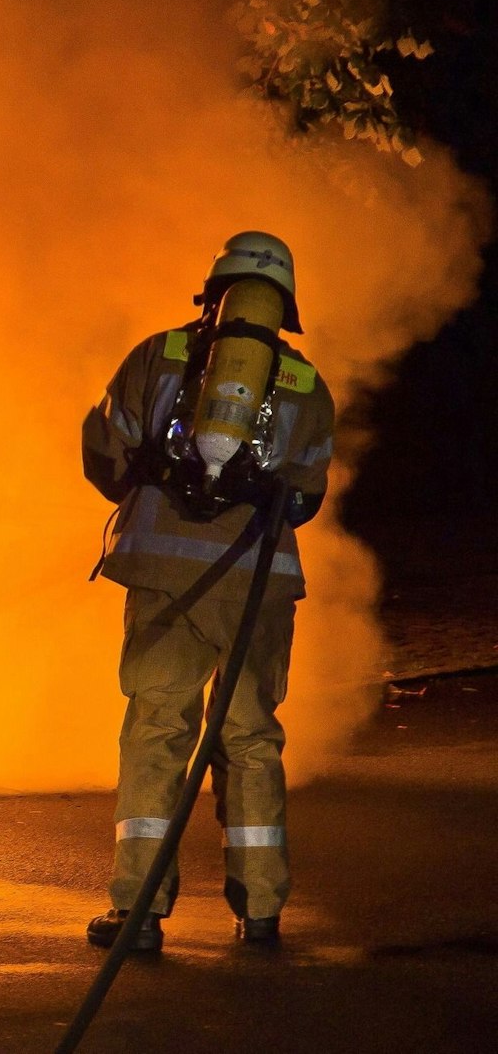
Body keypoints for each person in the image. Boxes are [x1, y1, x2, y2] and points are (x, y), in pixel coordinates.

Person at [80, 231, 335, 950]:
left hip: (165, 580)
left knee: (158, 730)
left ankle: (140, 912)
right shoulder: (308, 385)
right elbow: (307, 493)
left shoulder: (159, 356)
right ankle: (259, 910)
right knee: (251, 735)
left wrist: (146, 487)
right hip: (257, 583)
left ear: (212, 291)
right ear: (285, 307)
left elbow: (106, 447)